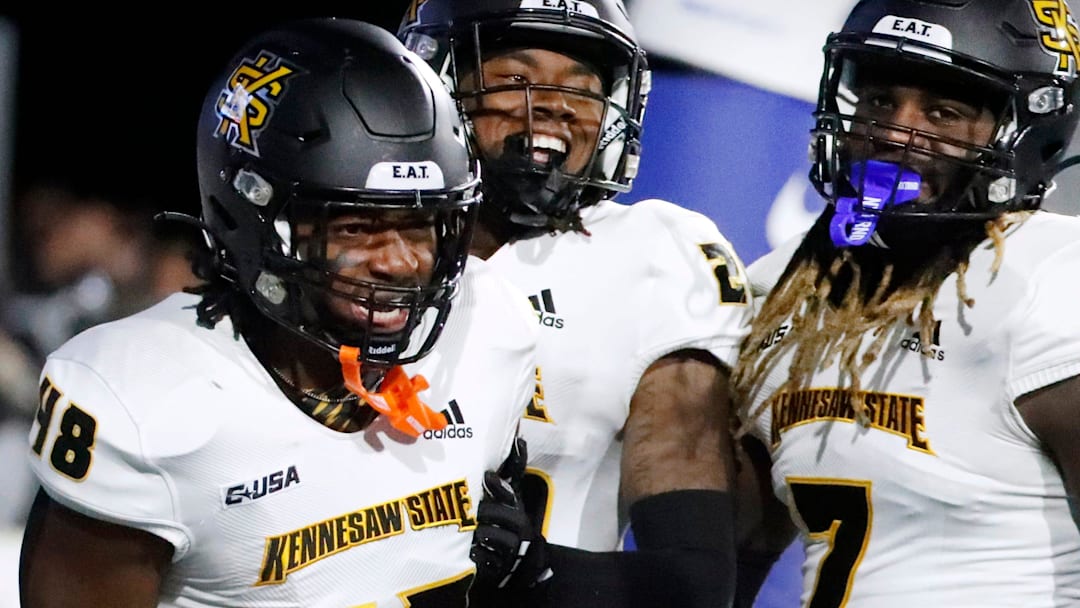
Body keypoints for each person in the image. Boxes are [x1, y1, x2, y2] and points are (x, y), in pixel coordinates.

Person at [18, 17, 539, 607]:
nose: (400, 262)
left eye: (423, 224)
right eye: (357, 226)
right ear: (254, 218)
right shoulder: (146, 402)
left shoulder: (491, 329)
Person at [399, 2, 753, 606]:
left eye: (583, 89)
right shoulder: (363, 240)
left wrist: (536, 571)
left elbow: (693, 580)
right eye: (516, 78)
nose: (558, 104)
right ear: (434, 84)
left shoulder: (653, 258)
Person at [730, 0, 1080, 606]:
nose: (894, 132)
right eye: (878, 102)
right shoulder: (785, 284)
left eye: (943, 112)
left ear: (1027, 130)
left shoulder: (1050, 279)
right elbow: (725, 560)